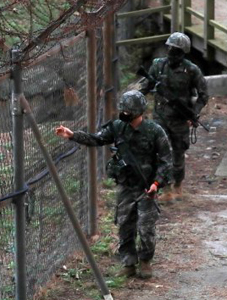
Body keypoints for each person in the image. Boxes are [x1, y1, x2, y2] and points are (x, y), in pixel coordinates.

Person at [55, 90, 172, 279]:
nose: (125, 114)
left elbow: (167, 160)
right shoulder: (118, 128)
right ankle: (128, 263)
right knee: (125, 225)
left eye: (129, 111)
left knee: (146, 228)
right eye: (124, 110)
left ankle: (145, 261)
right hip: (126, 186)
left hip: (147, 188)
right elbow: (97, 139)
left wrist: (157, 183)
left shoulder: (154, 131)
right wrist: (72, 135)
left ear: (139, 111)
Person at [139, 32, 209, 201]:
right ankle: (165, 187)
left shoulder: (191, 70)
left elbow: (203, 94)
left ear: (183, 53)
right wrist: (136, 102)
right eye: (170, 48)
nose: (171, 52)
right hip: (160, 116)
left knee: (178, 153)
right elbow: (146, 87)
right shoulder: (157, 65)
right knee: (160, 152)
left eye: (176, 50)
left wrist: (194, 112)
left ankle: (177, 184)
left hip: (179, 119)